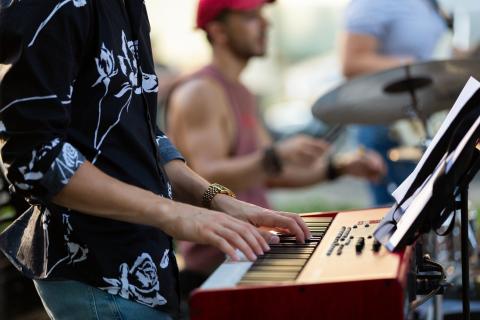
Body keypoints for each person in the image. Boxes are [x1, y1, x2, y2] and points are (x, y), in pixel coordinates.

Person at [0, 1, 311, 319]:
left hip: (146, 263)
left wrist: (215, 199)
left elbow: (143, 134)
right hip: (98, 273)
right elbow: (36, 158)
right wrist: (172, 213)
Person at [166, 0, 386, 297]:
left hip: (251, 252)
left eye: (264, 15)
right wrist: (274, 156)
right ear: (218, 31)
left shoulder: (242, 91)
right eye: (251, 16)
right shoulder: (200, 91)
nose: (266, 24)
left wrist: (339, 167)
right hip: (216, 267)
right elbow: (204, 176)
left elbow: (266, 174)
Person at [341, 0, 448, 205]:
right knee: (400, 217)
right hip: (388, 125)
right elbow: (351, 63)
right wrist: (416, 67)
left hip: (416, 120)